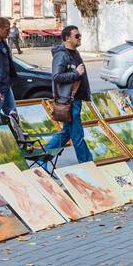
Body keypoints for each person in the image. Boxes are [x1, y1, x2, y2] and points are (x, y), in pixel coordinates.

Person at [45, 24, 93, 162]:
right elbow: (56, 77)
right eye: (76, 36)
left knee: (66, 133)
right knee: (77, 135)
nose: (79, 38)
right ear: (67, 38)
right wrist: (75, 73)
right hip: (69, 102)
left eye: (80, 36)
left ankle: (44, 157)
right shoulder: (61, 55)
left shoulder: (75, 53)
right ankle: (87, 163)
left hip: (75, 100)